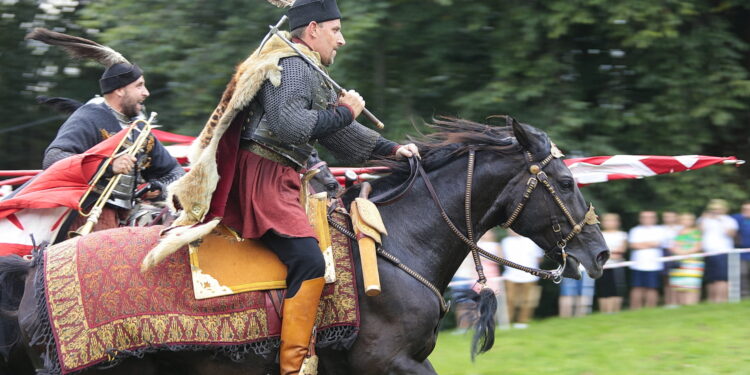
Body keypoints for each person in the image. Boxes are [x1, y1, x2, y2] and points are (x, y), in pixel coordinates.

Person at [157, 1, 419, 373]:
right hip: (262, 179)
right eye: (335, 30)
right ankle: (293, 367)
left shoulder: (306, 67)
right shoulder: (292, 65)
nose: (341, 40)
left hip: (283, 178)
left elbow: (338, 133)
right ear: (312, 30)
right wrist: (345, 111)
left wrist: (392, 149)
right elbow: (291, 127)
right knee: (309, 261)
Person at [29, 29, 184, 235]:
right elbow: (54, 159)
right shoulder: (89, 117)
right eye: (139, 86)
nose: (146, 93)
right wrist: (108, 166)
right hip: (84, 214)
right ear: (120, 90)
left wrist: (158, 187)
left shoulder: (139, 129)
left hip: (126, 217)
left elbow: (174, 173)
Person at [450, 231, 502, 333]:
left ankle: (489, 324)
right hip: (473, 277)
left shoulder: (490, 245)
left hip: (485, 276)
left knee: (489, 302)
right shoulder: (476, 245)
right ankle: (471, 325)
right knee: (475, 303)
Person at [500, 229, 543, 329]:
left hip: (530, 276)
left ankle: (523, 321)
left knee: (528, 300)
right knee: (509, 299)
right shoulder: (505, 241)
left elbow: (539, 258)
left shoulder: (532, 240)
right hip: (510, 275)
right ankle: (507, 322)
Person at [700, 199, 738, 303]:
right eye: (713, 209)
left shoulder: (729, 220)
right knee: (711, 278)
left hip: (723, 252)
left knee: (722, 278)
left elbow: (731, 234)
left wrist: (720, 221)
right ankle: (711, 300)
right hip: (708, 252)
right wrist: (704, 219)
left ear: (724, 209)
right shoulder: (705, 220)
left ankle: (722, 300)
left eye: (718, 209)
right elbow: (700, 232)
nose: (715, 211)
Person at [628, 211, 667, 309]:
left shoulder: (661, 230)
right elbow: (633, 245)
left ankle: (650, 308)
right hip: (637, 264)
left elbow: (658, 243)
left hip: (654, 264)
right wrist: (650, 244)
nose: (647, 219)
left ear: (655, 219)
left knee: (652, 288)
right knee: (636, 287)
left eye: (650, 217)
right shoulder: (635, 230)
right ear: (640, 219)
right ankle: (635, 308)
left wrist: (641, 244)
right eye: (644, 217)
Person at [595, 213, 628, 313]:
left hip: (617, 265)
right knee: (603, 290)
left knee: (617, 289)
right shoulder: (598, 234)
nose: (610, 223)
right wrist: (610, 253)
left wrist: (606, 253)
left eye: (612, 220)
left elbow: (621, 252)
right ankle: (604, 312)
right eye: (607, 220)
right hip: (602, 266)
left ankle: (615, 312)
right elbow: (597, 251)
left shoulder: (622, 235)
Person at [668, 213, 703, 305]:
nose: (685, 222)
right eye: (683, 219)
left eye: (688, 220)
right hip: (678, 262)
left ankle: (691, 304)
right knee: (679, 285)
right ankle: (681, 304)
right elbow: (672, 246)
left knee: (691, 285)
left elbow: (697, 247)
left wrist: (683, 253)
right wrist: (678, 252)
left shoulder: (696, 232)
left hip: (692, 262)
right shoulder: (677, 232)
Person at [660, 211, 682, 306]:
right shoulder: (660, 228)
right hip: (665, 252)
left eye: (671, 216)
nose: (669, 219)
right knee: (667, 279)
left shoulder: (681, 228)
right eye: (666, 217)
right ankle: (668, 301)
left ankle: (678, 301)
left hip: (679, 252)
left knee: (678, 278)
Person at [731, 201, 750, 298]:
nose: (747, 211)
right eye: (745, 209)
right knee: (743, 274)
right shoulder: (737, 218)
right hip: (741, 252)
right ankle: (744, 295)